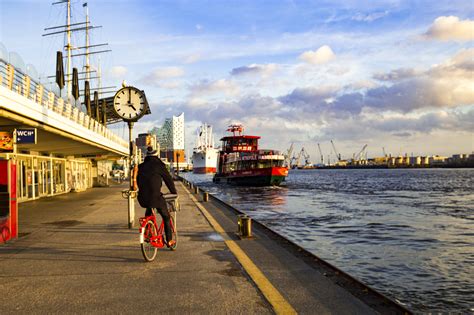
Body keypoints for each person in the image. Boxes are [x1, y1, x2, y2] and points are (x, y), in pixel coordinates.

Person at [135, 147, 177, 248]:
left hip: (142, 198)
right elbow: (168, 179)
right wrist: (174, 192)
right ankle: (170, 240)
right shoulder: (159, 165)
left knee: (149, 208)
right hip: (155, 197)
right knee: (166, 217)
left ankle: (148, 228)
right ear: (156, 155)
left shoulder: (141, 166)